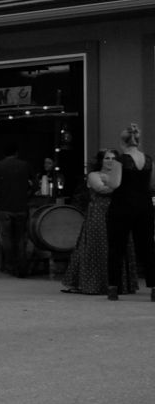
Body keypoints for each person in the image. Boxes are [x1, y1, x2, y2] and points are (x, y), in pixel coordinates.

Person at [62, 152, 135, 296]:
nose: (110, 161)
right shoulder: (94, 175)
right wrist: (119, 185)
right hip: (99, 214)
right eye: (107, 158)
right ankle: (94, 284)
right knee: (97, 245)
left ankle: (118, 284)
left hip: (118, 211)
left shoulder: (120, 175)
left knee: (118, 246)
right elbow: (101, 189)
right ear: (101, 161)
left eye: (114, 159)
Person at [104, 122, 154, 302]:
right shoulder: (148, 159)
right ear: (138, 141)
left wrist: (107, 178)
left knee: (117, 246)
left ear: (122, 142)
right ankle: (153, 287)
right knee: (148, 246)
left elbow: (114, 184)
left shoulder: (121, 160)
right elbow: (152, 185)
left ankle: (113, 288)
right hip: (145, 205)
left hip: (122, 206)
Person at [0, 142, 35, 278]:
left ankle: (10, 265)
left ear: (4, 154)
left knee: (7, 237)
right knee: (20, 237)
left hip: (3, 207)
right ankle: (21, 267)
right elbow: (35, 184)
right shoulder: (25, 165)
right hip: (21, 206)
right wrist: (28, 195)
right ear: (16, 152)